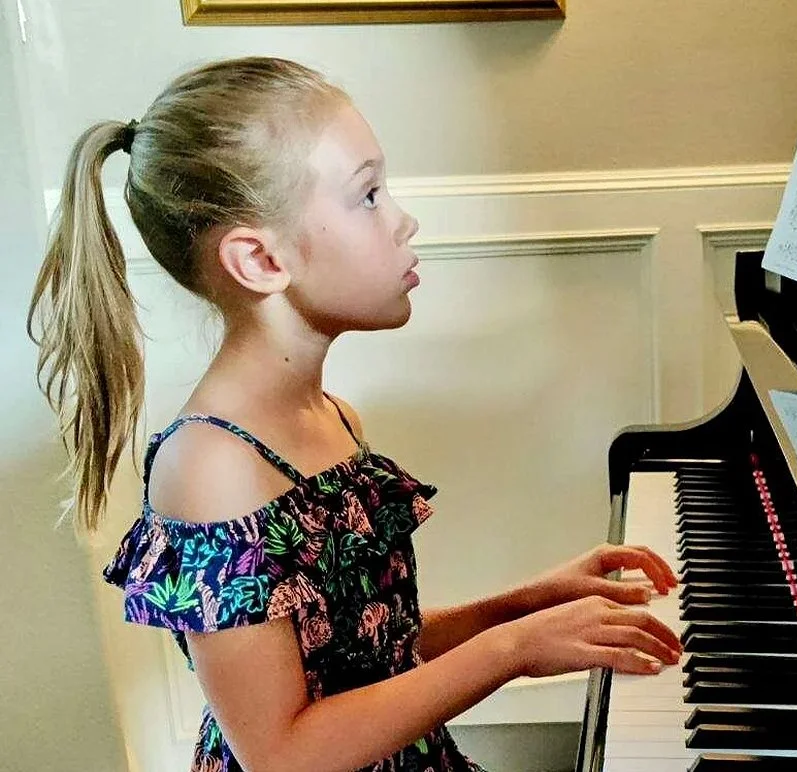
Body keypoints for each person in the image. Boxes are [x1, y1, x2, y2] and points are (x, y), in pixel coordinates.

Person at [27, 56, 682, 772]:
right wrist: (511, 652)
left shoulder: (333, 417)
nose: (404, 221)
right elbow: (282, 753)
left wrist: (522, 606)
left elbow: (370, 649)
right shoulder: (210, 468)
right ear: (260, 260)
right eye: (368, 195)